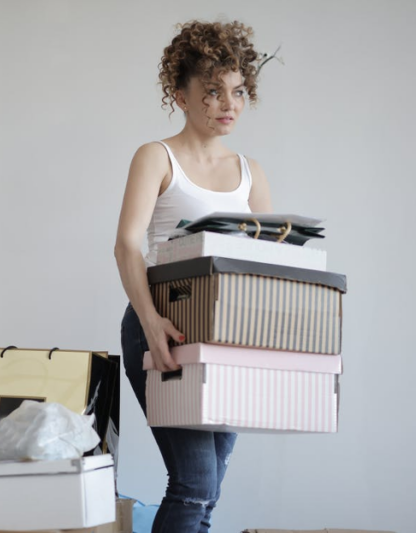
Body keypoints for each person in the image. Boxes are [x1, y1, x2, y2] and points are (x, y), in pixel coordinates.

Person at [113, 20, 273, 533]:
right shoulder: (156, 157)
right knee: (195, 482)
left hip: (227, 336)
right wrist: (151, 321)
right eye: (211, 92)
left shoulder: (251, 172)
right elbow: (127, 246)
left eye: (238, 91)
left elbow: (266, 265)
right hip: (164, 324)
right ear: (180, 96)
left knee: (209, 489)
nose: (228, 104)